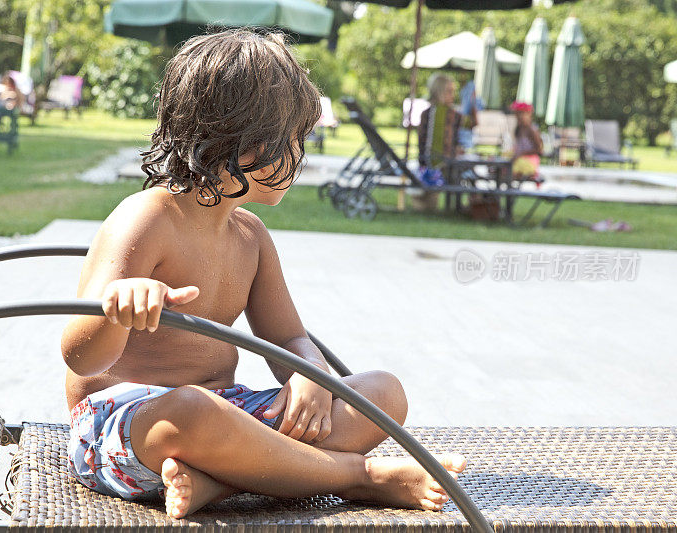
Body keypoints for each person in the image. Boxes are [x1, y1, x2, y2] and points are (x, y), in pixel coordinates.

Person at [61, 30, 466, 521]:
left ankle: (219, 482)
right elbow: (80, 357)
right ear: (247, 144)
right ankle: (358, 477)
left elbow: (289, 336)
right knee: (196, 412)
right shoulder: (146, 218)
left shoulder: (250, 237)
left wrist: (307, 374)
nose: (301, 155)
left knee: (382, 393)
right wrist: (119, 308)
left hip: (223, 415)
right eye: (295, 140)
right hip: (126, 428)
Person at [415, 73, 462, 211]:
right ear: (439, 92)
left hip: (425, 163)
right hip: (441, 165)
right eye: (449, 92)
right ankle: (459, 208)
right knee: (464, 170)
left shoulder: (425, 113)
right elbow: (472, 123)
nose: (452, 95)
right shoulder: (452, 114)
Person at [510, 101, 544, 185]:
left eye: (522, 114)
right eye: (517, 114)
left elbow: (539, 149)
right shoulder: (518, 129)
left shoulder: (531, 130)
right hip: (519, 159)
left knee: (510, 172)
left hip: (529, 161)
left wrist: (522, 154)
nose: (519, 117)